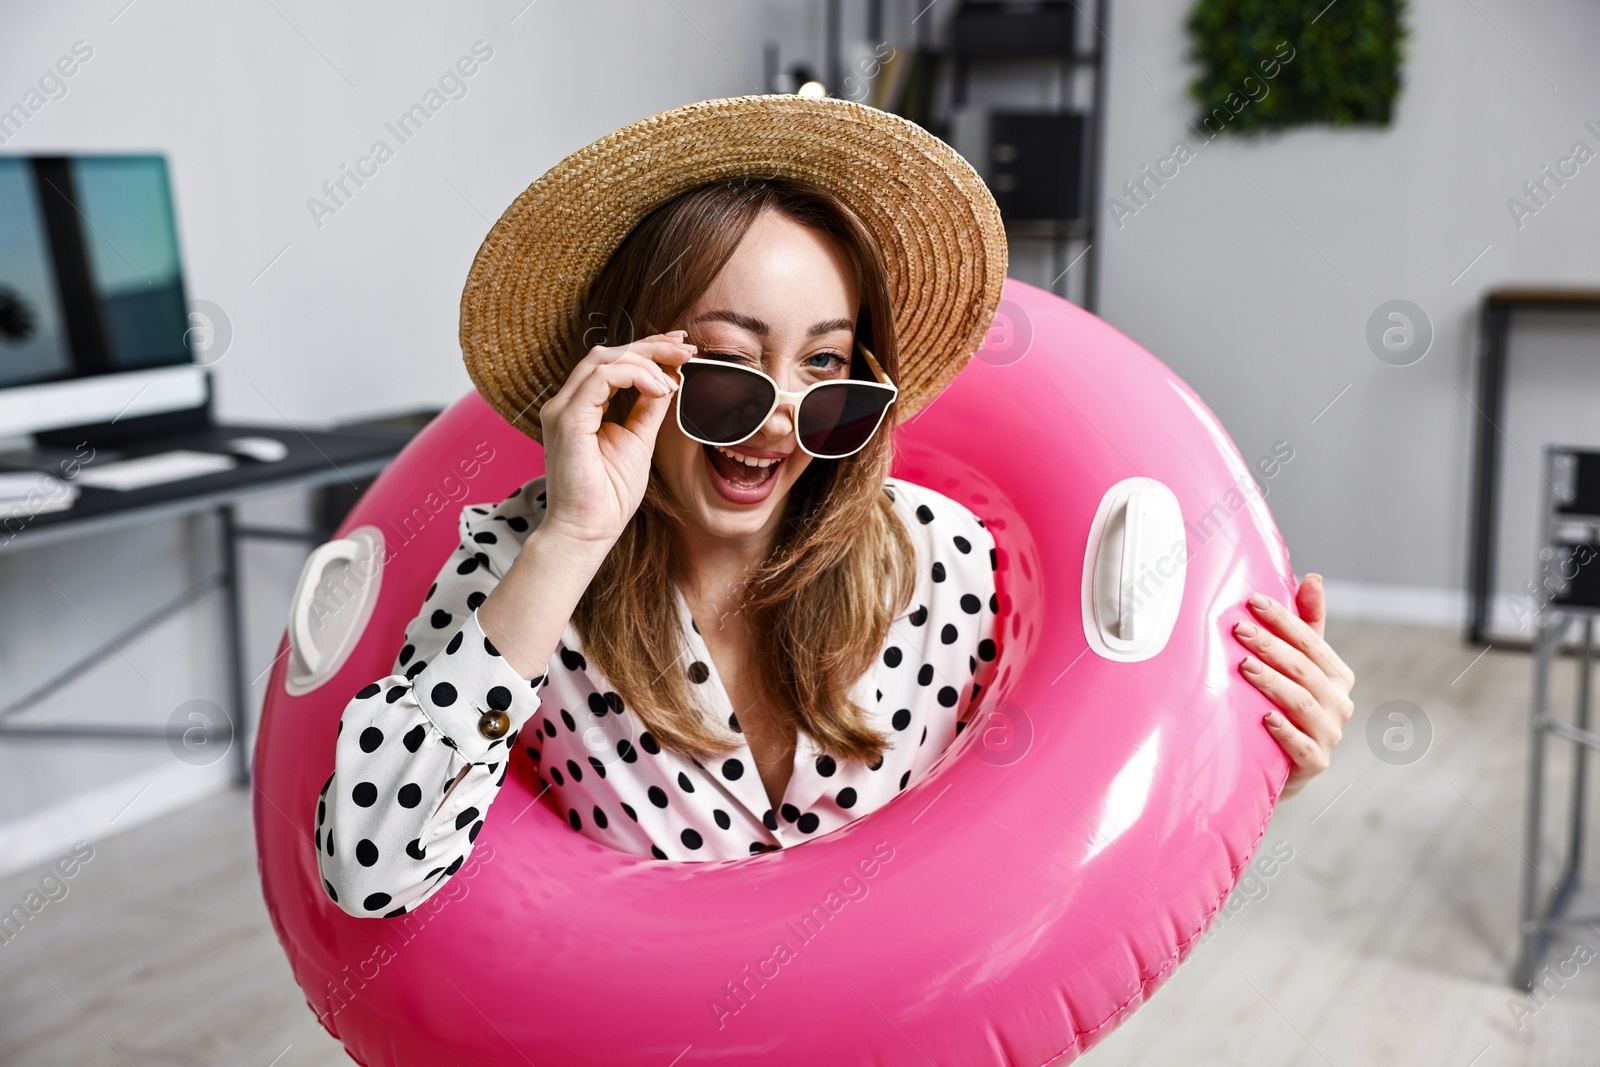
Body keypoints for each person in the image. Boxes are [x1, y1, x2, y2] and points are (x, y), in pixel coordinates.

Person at [314, 96, 1355, 920]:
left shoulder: (941, 560)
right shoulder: (520, 568)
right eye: (726, 362)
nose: (780, 420)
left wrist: (1258, 757)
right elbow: (368, 874)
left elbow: (1073, 815)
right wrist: (573, 538)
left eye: (824, 364)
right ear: (631, 359)